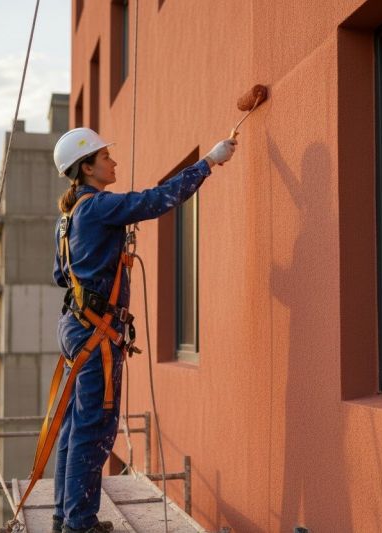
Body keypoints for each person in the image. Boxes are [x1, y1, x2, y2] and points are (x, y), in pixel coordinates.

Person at [50, 127, 237, 533]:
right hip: (95, 332)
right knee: (94, 426)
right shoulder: (98, 207)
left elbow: (60, 275)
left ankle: (66, 516)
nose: (113, 162)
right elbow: (156, 200)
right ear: (87, 167)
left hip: (76, 327)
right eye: (105, 157)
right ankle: (78, 524)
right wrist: (209, 161)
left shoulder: (66, 220)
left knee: (74, 423)